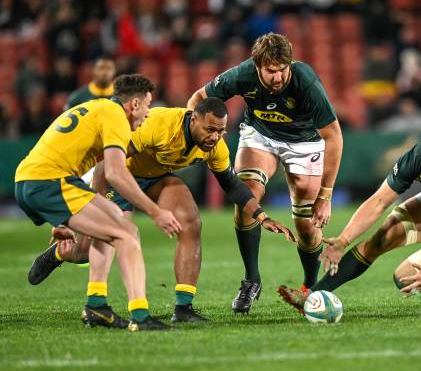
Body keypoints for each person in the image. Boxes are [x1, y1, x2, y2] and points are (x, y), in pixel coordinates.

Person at [28, 98, 296, 323]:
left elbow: (232, 185)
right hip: (119, 176)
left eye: (221, 131)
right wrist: (96, 202)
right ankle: (62, 252)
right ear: (194, 119)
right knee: (92, 246)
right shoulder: (159, 125)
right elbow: (106, 162)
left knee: (191, 221)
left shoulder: (216, 147)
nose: (215, 137)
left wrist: (262, 216)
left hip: (155, 177)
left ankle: (183, 308)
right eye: (210, 130)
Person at [187, 32, 343, 314]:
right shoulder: (242, 74)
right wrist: (192, 135)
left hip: (304, 142)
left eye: (283, 69)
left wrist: (326, 195)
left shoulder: (304, 80)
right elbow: (198, 98)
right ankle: (251, 280)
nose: (278, 77)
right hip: (261, 136)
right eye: (271, 71)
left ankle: (310, 287)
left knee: (307, 227)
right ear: (257, 66)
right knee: (246, 200)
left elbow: (333, 136)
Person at [278, 119, 421, 312]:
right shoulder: (418, 157)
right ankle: (311, 297)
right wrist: (343, 241)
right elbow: (378, 201)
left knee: (405, 278)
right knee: (380, 239)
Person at [15, 74, 181, 331]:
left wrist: (83, 219)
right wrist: (155, 211)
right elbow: (116, 172)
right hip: (48, 181)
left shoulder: (98, 108)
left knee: (115, 216)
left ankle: (96, 304)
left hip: (34, 180)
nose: (149, 113)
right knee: (126, 235)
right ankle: (140, 316)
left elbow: (103, 171)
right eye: (148, 105)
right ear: (134, 104)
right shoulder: (116, 116)